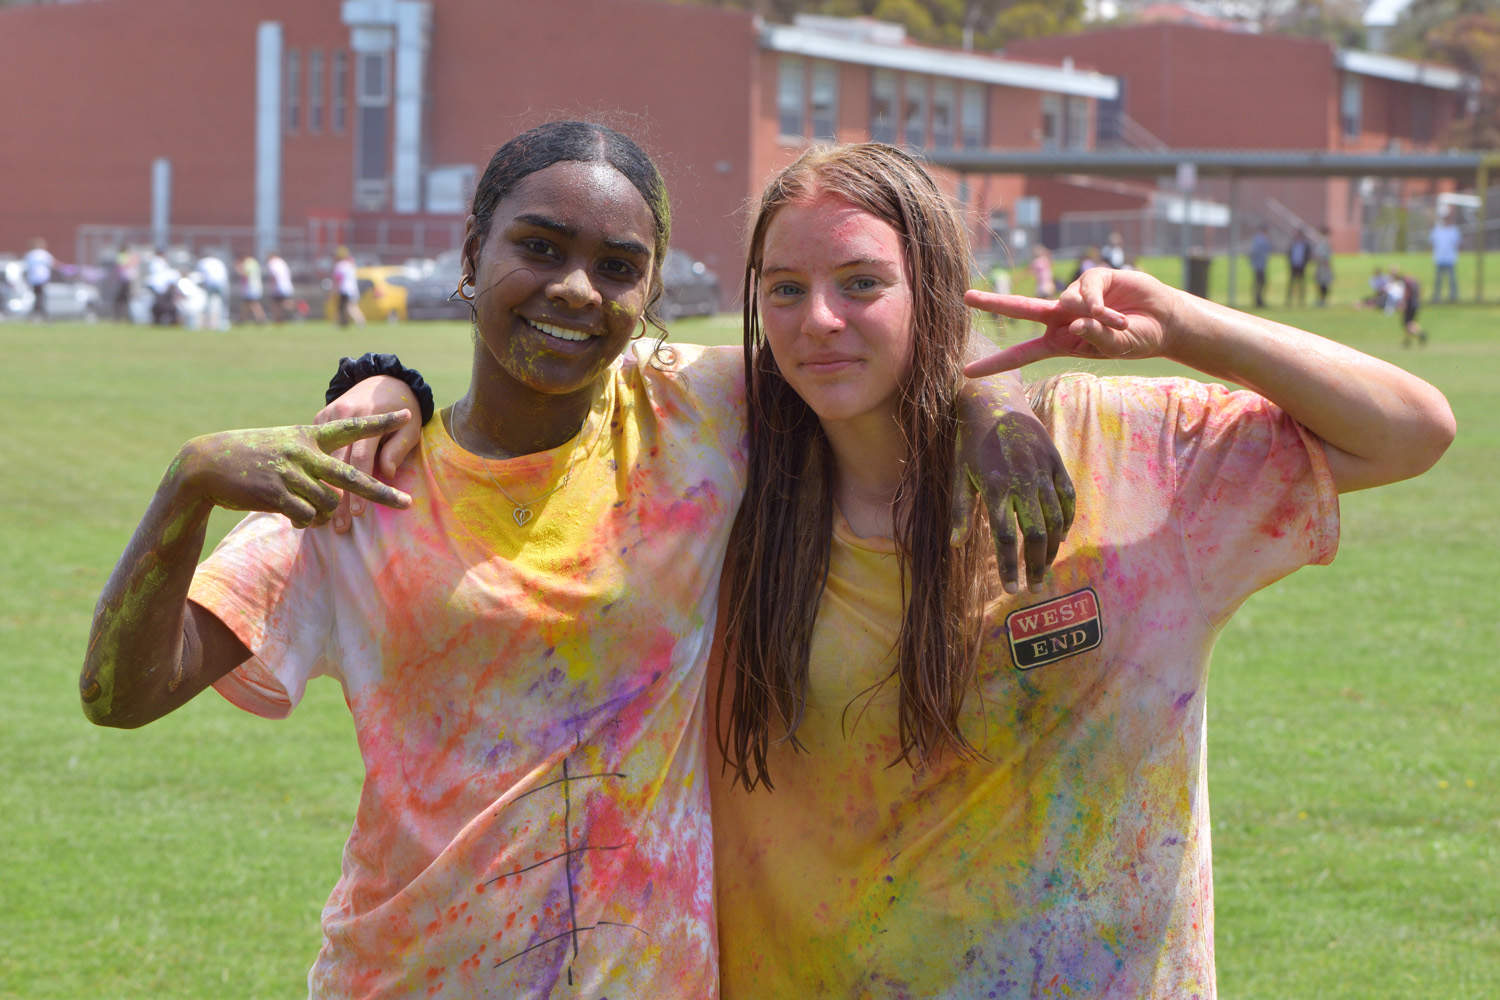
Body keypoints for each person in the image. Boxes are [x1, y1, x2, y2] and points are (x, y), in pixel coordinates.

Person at [326, 142, 1453, 999]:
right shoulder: (725, 466)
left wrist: (1177, 320)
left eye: (862, 283)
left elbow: (1409, 431)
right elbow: (548, 357)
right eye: (783, 289)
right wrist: (381, 381)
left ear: (937, 288)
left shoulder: (1129, 453)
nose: (818, 321)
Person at [81, 124, 1069, 999]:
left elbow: (861, 343)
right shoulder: (362, 480)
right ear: (472, 255)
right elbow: (120, 695)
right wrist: (189, 484)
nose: (573, 288)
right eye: (540, 247)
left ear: (651, 293)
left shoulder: (698, 417)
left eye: (617, 265)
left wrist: (992, 403)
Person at [1430, 211, 1461, 304]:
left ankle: (1453, 296)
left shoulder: (1454, 230)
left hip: (1450, 258)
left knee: (1452, 279)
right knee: (1438, 279)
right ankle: (1436, 296)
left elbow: (1458, 243)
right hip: (1439, 258)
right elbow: (1432, 243)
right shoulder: (1436, 230)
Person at [194, 253, 231, 331]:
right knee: (223, 304)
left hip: (210, 283)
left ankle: (207, 322)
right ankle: (223, 322)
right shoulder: (219, 261)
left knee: (207, 303)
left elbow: (198, 276)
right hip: (222, 283)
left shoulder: (202, 262)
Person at [22, 237, 55, 322]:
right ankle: (42, 315)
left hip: (33, 279)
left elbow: (26, 268)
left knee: (38, 297)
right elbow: (52, 263)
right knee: (41, 297)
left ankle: (35, 315)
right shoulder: (43, 254)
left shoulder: (29, 255)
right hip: (42, 278)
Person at [332, 246, 365, 327]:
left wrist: (334, 289)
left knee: (346, 307)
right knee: (351, 307)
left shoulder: (340, 265)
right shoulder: (350, 265)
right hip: (353, 289)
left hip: (344, 289)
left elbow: (338, 279)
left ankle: (358, 322)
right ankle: (343, 322)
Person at [1398, 270, 1428, 347]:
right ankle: (1408, 340)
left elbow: (1407, 294)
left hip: (1410, 305)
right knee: (1410, 322)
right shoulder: (1416, 283)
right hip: (1416, 304)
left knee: (1408, 323)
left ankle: (1420, 334)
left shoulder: (1408, 284)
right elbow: (1420, 293)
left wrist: (1403, 303)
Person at [265, 249, 295, 322]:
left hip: (278, 287)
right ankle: (278, 319)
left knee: (279, 304)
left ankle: (297, 305)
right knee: (280, 303)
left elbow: (274, 275)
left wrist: (271, 285)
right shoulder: (282, 262)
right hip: (286, 285)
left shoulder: (272, 263)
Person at [237, 253, 267, 324]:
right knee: (247, 304)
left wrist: (238, 268)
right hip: (253, 286)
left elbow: (245, 274)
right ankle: (242, 319)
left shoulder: (248, 263)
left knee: (252, 303)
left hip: (250, 287)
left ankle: (261, 318)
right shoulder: (254, 262)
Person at [1286, 230, 1311, 307]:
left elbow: (1308, 255)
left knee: (1301, 284)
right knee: (1291, 284)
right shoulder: (1293, 243)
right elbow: (1289, 253)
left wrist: (1305, 263)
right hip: (1294, 266)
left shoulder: (1305, 245)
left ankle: (1301, 300)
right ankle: (1289, 300)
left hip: (1301, 266)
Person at [1249, 226, 1272, 308]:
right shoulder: (1259, 240)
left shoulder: (1260, 239)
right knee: (1259, 283)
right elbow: (1256, 252)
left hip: (1260, 264)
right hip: (1259, 265)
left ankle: (1259, 299)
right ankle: (1258, 300)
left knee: (1260, 283)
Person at [1313, 227, 1333, 306]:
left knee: (1323, 284)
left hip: (1323, 266)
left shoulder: (1325, 242)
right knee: (1321, 284)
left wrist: (1326, 267)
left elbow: (1324, 256)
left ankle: (1323, 300)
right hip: (1321, 265)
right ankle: (1321, 299)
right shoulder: (1323, 242)